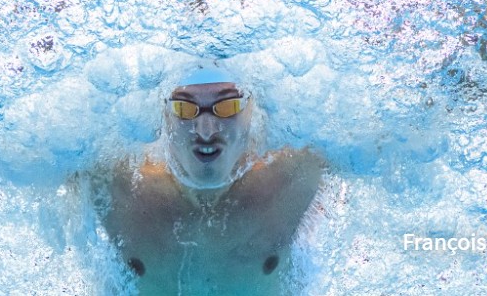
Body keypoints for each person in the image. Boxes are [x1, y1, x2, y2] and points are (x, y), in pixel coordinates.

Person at [95, 64, 326, 295]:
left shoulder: (292, 177)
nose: (206, 132)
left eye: (227, 107)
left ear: (251, 110)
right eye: (184, 108)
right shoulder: (118, 184)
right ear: (164, 113)